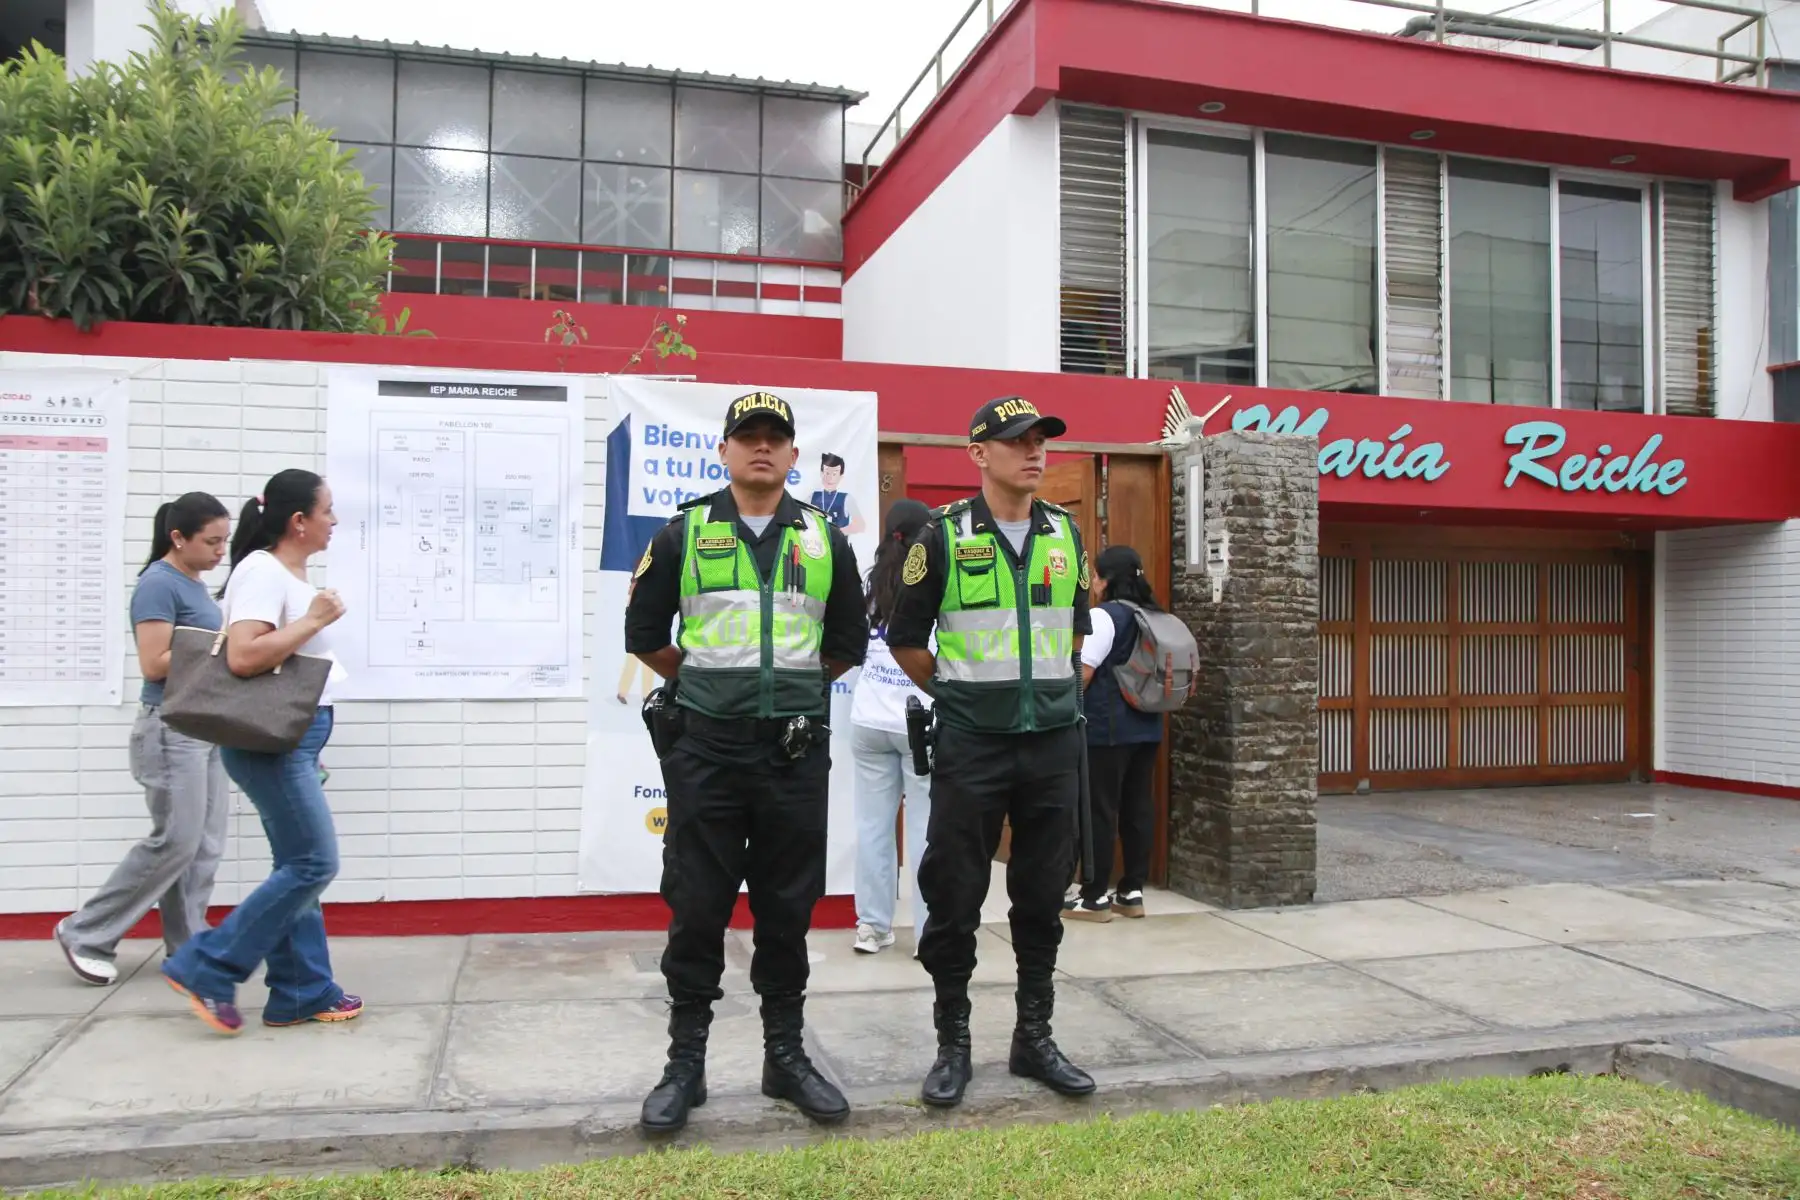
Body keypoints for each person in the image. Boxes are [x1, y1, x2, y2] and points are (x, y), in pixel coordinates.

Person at [625, 390, 868, 1134]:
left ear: (795, 455)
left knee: (787, 910)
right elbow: (643, 632)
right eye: (747, 436)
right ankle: (685, 1063)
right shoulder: (683, 534)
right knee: (696, 907)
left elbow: (847, 646)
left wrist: (784, 691)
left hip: (792, 755)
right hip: (706, 751)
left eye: (775, 437)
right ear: (725, 452)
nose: (761, 447)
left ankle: (784, 1056)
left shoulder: (828, 540)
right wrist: (707, 686)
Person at [888, 394, 1097, 1109]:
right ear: (978, 454)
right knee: (954, 895)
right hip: (973, 743)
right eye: (1016, 441)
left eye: (1041, 440)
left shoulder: (1066, 533)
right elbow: (908, 642)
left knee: (1041, 894)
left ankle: (1033, 1038)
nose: (1034, 452)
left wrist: (1051, 697)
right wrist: (967, 699)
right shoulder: (941, 537)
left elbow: (1072, 634)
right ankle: (954, 1042)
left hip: (1051, 745)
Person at [161, 469, 358, 1035]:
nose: (334, 521)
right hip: (274, 746)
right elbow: (244, 657)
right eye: (327, 511)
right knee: (314, 863)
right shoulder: (261, 571)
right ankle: (207, 965)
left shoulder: (284, 573)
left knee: (298, 866)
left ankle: (300, 989)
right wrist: (316, 620)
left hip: (294, 741)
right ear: (299, 521)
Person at [54, 493, 233, 986]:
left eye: (225, 540)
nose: (221, 550)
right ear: (179, 538)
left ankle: (188, 945)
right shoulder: (158, 584)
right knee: (174, 840)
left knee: (204, 844)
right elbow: (154, 664)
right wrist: (221, 645)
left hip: (203, 725)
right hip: (170, 727)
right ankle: (85, 932)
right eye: (212, 541)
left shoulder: (194, 585)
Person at [850, 498, 935, 957]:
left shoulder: (871, 585)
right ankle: (927, 933)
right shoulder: (934, 580)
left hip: (868, 720)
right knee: (926, 832)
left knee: (873, 828)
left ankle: (871, 927)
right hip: (919, 719)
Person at [1063, 544, 1163, 923]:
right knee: (1137, 807)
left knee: (1098, 809)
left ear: (1102, 580)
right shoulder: (1153, 615)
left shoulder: (1104, 617)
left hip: (1106, 730)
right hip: (1147, 726)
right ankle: (1131, 891)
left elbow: (1082, 674)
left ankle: (1093, 896)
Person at [809, 452, 866, 535]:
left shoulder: (847, 498)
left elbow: (860, 525)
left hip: (838, 545)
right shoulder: (812, 496)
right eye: (827, 473)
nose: (830, 478)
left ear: (841, 476)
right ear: (821, 473)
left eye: (834, 474)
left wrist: (838, 534)